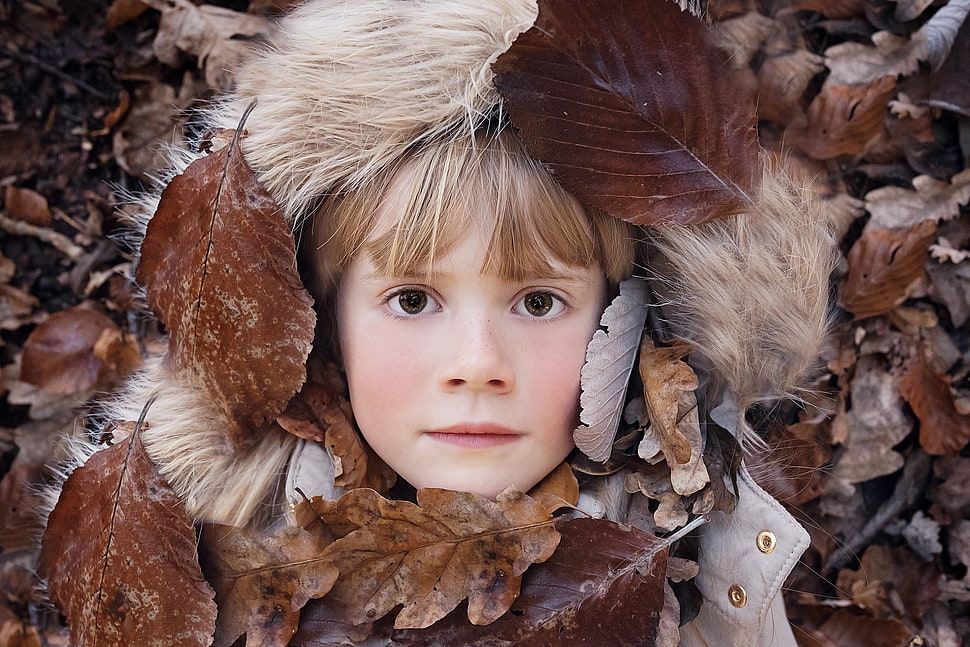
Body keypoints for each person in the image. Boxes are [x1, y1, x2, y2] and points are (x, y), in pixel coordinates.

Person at [41, 0, 835, 645]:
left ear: (626, 317)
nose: (477, 363)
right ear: (318, 325)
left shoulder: (700, 556)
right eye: (414, 300)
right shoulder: (216, 577)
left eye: (538, 302)